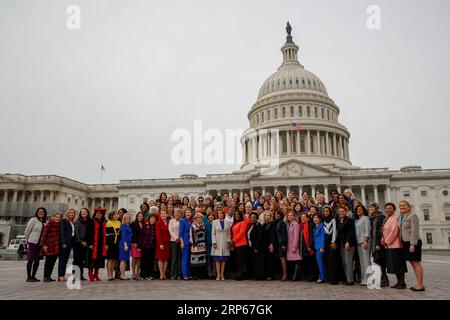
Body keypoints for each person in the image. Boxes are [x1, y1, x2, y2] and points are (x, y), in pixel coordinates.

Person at [399, 200, 425, 291]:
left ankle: (420, 285)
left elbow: (415, 230)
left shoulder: (413, 216)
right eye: (400, 206)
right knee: (412, 263)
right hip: (405, 243)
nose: (402, 207)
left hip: (413, 242)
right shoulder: (401, 217)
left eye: (404, 205)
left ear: (408, 206)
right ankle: (418, 283)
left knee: (416, 263)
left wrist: (412, 244)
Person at [382, 202, 407, 289]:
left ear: (394, 210)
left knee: (399, 265)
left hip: (396, 245)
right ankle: (398, 282)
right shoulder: (388, 219)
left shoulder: (395, 218)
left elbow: (394, 232)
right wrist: (383, 239)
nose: (388, 210)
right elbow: (385, 231)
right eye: (386, 208)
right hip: (390, 245)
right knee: (395, 265)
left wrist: (386, 241)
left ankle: (402, 283)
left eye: (390, 208)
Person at [25, 207, 47, 282]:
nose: (41, 213)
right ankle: (29, 277)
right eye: (39, 212)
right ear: (37, 212)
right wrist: (27, 241)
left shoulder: (45, 222)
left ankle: (33, 276)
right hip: (32, 242)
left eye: (42, 212)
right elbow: (27, 231)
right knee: (30, 260)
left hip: (40, 244)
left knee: (37, 261)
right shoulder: (33, 220)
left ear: (44, 213)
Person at [368, 202, 388, 287]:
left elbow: (381, 231)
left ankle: (383, 279)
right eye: (370, 208)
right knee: (377, 260)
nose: (371, 209)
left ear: (376, 208)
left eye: (373, 207)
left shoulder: (380, 217)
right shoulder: (371, 218)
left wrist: (378, 243)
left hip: (378, 242)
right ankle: (383, 278)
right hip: (373, 242)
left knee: (381, 261)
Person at [336, 205, 357, 285]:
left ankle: (350, 280)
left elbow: (350, 232)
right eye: (340, 211)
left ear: (346, 212)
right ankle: (347, 278)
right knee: (344, 262)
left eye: (342, 211)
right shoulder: (340, 220)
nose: (341, 213)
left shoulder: (349, 220)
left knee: (348, 262)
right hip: (341, 244)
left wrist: (348, 242)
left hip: (348, 244)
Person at [40, 212, 62, 282]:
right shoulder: (50, 224)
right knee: (48, 262)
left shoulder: (60, 225)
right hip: (49, 245)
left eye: (59, 217)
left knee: (53, 262)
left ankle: (49, 276)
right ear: (54, 217)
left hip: (56, 245)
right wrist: (44, 245)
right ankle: (45, 276)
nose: (57, 218)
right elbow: (44, 234)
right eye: (56, 217)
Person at [87, 208, 107, 281]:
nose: (99, 215)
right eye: (97, 213)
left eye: (100, 213)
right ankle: (90, 274)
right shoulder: (91, 221)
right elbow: (88, 233)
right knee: (91, 259)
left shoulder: (104, 222)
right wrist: (90, 244)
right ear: (95, 214)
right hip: (93, 243)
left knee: (99, 260)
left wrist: (106, 244)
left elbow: (105, 234)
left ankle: (96, 274)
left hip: (101, 243)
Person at [211, 210, 231, 281]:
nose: (220, 214)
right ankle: (218, 274)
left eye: (221, 213)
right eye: (219, 213)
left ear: (223, 214)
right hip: (217, 242)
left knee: (223, 260)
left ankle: (222, 274)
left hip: (225, 242)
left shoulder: (227, 222)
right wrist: (214, 242)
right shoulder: (215, 222)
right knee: (217, 259)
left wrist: (229, 242)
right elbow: (213, 233)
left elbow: (229, 233)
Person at [322, 205, 340, 285]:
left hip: (331, 242)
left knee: (332, 260)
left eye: (327, 211)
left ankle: (334, 279)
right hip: (325, 242)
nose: (326, 213)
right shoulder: (322, 220)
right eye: (324, 211)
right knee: (327, 260)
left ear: (330, 212)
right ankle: (329, 278)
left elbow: (334, 231)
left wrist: (333, 241)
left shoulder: (333, 219)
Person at [58, 208, 77, 282]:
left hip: (70, 243)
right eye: (70, 213)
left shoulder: (72, 221)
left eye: (72, 213)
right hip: (65, 243)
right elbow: (62, 232)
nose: (71, 214)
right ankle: (61, 276)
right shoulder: (64, 220)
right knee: (62, 260)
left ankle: (62, 275)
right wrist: (63, 242)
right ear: (67, 213)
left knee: (65, 260)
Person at [73, 208, 91, 281]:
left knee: (82, 260)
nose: (83, 213)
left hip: (85, 242)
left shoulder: (88, 221)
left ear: (87, 213)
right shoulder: (77, 221)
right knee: (77, 260)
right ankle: (76, 276)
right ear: (80, 213)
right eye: (82, 212)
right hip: (78, 242)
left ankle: (81, 275)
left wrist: (87, 241)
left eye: (85, 211)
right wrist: (81, 241)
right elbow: (76, 232)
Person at [354, 205, 371, 286]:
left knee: (366, 260)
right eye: (357, 209)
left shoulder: (365, 218)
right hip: (358, 242)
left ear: (363, 210)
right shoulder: (357, 220)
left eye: (360, 209)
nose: (359, 211)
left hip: (364, 241)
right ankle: (364, 278)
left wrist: (366, 240)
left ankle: (368, 279)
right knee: (362, 261)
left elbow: (367, 229)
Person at [138, 213, 157, 280]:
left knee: (151, 261)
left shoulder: (156, 226)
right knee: (143, 261)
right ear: (149, 219)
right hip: (145, 246)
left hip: (152, 247)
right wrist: (139, 246)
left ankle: (149, 275)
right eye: (151, 218)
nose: (152, 220)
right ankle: (142, 275)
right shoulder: (145, 226)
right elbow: (141, 236)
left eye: (154, 219)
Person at [231, 211, 249, 281]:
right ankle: (239, 274)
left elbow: (241, 233)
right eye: (235, 214)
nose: (236, 215)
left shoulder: (243, 222)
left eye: (238, 214)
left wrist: (233, 240)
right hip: (236, 244)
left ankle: (241, 275)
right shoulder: (235, 223)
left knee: (241, 261)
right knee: (238, 260)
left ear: (241, 215)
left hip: (242, 244)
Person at [247, 212, 265, 280]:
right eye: (251, 217)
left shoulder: (258, 226)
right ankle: (254, 275)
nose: (252, 218)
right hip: (250, 246)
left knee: (258, 262)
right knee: (254, 261)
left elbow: (259, 237)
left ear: (257, 218)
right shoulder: (251, 225)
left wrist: (256, 247)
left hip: (257, 247)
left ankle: (259, 276)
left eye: (254, 217)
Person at [190, 213, 207, 279]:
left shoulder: (203, 226)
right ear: (195, 219)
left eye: (200, 217)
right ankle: (194, 275)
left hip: (202, 244)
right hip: (196, 244)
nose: (199, 219)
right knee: (195, 259)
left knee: (201, 260)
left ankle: (200, 275)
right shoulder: (193, 226)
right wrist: (194, 244)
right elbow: (192, 235)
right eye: (198, 217)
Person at [299, 213, 315, 282]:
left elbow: (311, 236)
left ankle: (310, 276)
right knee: (304, 262)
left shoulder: (309, 225)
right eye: (302, 217)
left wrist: (310, 246)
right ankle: (305, 276)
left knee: (309, 263)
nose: (303, 218)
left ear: (308, 218)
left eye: (304, 217)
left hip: (308, 246)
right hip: (302, 247)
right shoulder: (300, 226)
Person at [106, 211, 121, 281]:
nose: (116, 215)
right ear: (111, 215)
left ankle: (112, 273)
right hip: (110, 242)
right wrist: (106, 244)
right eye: (114, 215)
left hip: (117, 242)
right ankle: (109, 274)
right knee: (110, 259)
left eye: (116, 214)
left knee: (114, 259)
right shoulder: (108, 223)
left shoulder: (119, 222)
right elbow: (107, 235)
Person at [156, 209, 171, 280]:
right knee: (160, 258)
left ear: (166, 215)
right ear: (160, 215)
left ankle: (164, 273)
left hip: (167, 242)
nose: (163, 215)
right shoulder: (158, 223)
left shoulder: (169, 222)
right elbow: (158, 234)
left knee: (166, 259)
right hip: (161, 243)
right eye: (162, 214)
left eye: (164, 214)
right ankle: (161, 274)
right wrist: (160, 244)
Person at [286, 211, 301, 281]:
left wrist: (295, 246)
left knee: (296, 261)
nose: (290, 217)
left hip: (294, 245)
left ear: (294, 216)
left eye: (291, 215)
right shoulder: (289, 224)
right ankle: (293, 275)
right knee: (292, 261)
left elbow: (296, 236)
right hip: (289, 245)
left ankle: (296, 276)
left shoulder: (295, 224)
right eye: (288, 215)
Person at [274, 211, 288, 281]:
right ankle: (281, 273)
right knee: (280, 258)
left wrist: (284, 244)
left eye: (278, 214)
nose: (276, 215)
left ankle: (285, 274)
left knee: (282, 258)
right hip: (277, 243)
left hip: (281, 243)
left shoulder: (282, 223)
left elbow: (284, 234)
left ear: (281, 215)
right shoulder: (276, 222)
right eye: (276, 214)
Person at [169, 208, 182, 280]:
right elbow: (170, 231)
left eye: (178, 213)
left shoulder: (182, 221)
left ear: (180, 214)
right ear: (174, 214)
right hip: (173, 241)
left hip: (181, 241)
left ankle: (179, 274)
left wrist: (180, 238)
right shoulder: (171, 221)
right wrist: (176, 238)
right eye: (175, 213)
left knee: (180, 258)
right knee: (174, 258)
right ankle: (173, 274)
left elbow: (183, 230)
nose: (177, 214)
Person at [262, 211, 276, 280]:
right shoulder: (264, 224)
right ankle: (266, 274)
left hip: (270, 244)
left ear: (271, 216)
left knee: (270, 260)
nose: (267, 216)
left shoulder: (273, 223)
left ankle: (271, 275)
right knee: (266, 260)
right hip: (264, 244)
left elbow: (273, 234)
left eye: (268, 215)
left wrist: (271, 244)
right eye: (266, 215)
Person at [313, 214, 326, 283]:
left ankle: (322, 277)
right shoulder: (316, 226)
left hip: (320, 247)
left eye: (316, 218)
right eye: (314, 218)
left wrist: (322, 246)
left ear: (320, 219)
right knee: (319, 262)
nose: (315, 219)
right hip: (316, 246)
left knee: (320, 263)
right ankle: (322, 276)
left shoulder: (321, 226)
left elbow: (323, 236)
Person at [130, 212, 144, 280]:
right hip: (134, 243)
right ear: (137, 216)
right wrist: (135, 242)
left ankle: (138, 273)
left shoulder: (143, 224)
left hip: (141, 243)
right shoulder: (133, 223)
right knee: (134, 258)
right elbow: (133, 233)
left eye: (141, 216)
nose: (140, 217)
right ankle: (133, 273)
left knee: (139, 259)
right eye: (139, 216)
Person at [179, 210, 192, 280]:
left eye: (189, 213)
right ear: (184, 214)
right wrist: (182, 242)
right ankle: (184, 274)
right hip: (185, 241)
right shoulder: (182, 221)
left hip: (191, 242)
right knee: (185, 258)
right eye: (187, 213)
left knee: (189, 259)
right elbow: (180, 232)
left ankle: (189, 273)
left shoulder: (192, 221)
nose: (188, 214)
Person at [118, 213, 132, 280]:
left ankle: (123, 275)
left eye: (129, 217)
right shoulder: (123, 225)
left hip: (128, 244)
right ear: (124, 218)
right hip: (124, 244)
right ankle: (122, 275)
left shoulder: (128, 225)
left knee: (125, 260)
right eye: (126, 217)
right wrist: (125, 245)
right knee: (123, 260)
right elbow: (123, 236)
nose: (128, 218)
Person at [204, 212, 216, 278]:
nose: (211, 217)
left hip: (215, 243)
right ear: (208, 217)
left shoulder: (216, 224)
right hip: (207, 243)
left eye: (212, 215)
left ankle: (214, 273)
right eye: (210, 216)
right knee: (208, 259)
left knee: (214, 259)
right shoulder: (205, 224)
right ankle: (209, 273)